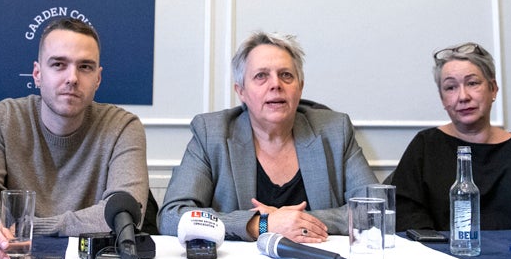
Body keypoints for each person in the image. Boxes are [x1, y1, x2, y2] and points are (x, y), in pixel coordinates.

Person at [0, 17, 148, 259]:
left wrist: (25, 227)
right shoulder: (1, 120)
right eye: (58, 64)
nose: (72, 78)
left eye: (85, 67)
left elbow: (124, 215)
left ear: (98, 78)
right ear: (37, 73)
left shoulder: (123, 126)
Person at [159, 31, 376, 243]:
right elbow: (172, 217)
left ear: (300, 88)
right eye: (261, 76)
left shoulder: (335, 131)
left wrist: (295, 222)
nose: (276, 84)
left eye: (286, 75)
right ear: (241, 91)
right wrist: (261, 225)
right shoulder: (211, 134)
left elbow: (376, 208)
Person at [393, 42, 511, 231]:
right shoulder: (424, 147)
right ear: (442, 99)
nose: (463, 96)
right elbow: (406, 216)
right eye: (451, 88)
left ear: (493, 89)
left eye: (472, 83)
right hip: (443, 258)